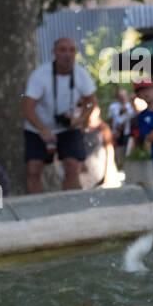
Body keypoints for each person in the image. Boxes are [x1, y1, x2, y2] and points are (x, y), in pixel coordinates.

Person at [23, 37, 97, 193]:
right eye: (62, 50)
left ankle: (70, 206)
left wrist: (79, 121)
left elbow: (91, 103)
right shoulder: (40, 75)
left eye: (71, 50)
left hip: (67, 127)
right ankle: (35, 208)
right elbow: (28, 107)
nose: (67, 54)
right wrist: (42, 129)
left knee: (72, 166)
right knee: (33, 170)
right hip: (37, 128)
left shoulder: (81, 74)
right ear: (54, 52)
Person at [106, 87, 134, 167]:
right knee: (118, 153)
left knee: (128, 153)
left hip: (128, 133)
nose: (122, 98)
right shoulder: (113, 107)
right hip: (116, 134)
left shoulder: (131, 107)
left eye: (124, 95)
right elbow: (110, 120)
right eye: (120, 96)